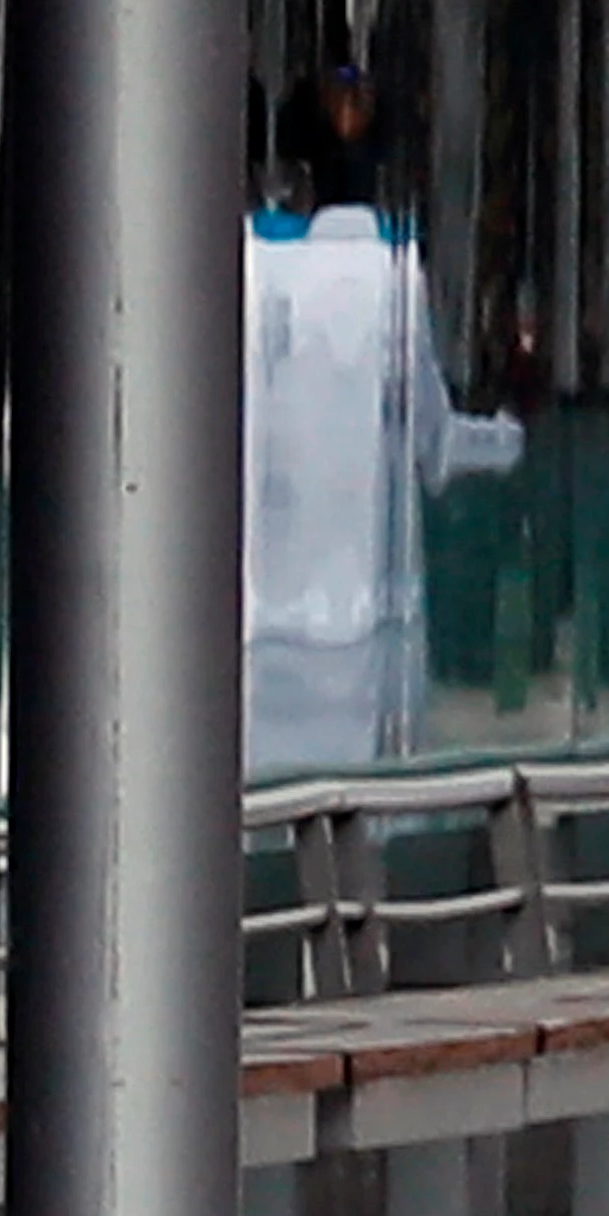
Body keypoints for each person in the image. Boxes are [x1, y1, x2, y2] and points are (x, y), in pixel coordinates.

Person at [245, 68, 526, 776]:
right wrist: (506, 440)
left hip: (254, 627)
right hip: (364, 624)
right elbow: (432, 443)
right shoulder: (390, 275)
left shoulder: (250, 272)